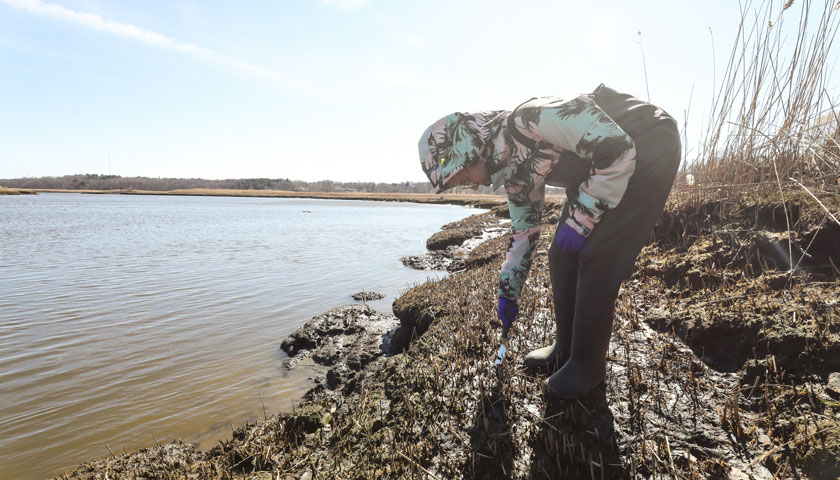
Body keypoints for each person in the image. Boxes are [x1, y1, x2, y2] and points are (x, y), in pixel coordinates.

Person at [418, 84, 680, 400]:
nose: (471, 187)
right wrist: (508, 293)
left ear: (472, 148)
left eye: (464, 178)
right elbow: (523, 235)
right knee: (560, 255)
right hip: (603, 171)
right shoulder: (514, 173)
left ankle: (587, 366)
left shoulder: (530, 119)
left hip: (648, 146)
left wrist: (582, 218)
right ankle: (565, 349)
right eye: (461, 186)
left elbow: (616, 147)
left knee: (596, 257)